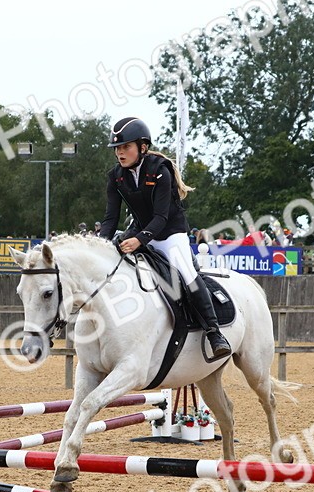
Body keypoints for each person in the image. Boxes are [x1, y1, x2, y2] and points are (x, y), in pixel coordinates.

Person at [98, 117, 231, 358]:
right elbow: (110, 219)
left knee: (186, 272)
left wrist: (139, 240)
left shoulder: (160, 169)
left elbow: (160, 217)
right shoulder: (115, 176)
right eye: (117, 148)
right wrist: (99, 246)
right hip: (138, 231)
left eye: (125, 147)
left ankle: (214, 333)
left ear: (142, 147)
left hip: (170, 233)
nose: (120, 152)